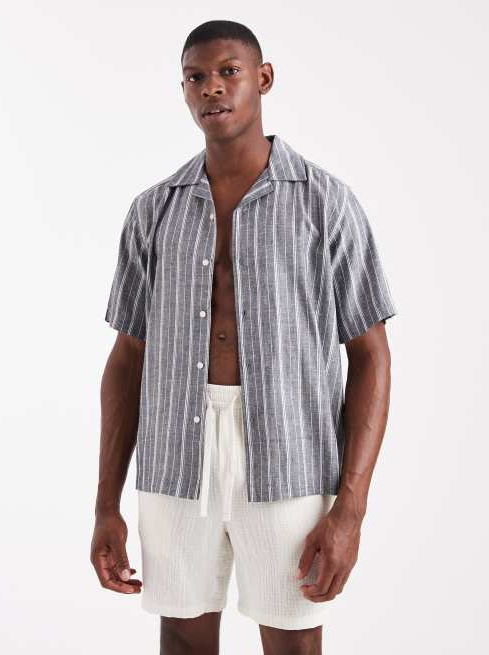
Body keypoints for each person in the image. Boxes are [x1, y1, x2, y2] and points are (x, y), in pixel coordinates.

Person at [90, 19, 397, 655]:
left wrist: (350, 508)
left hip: (291, 458)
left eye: (229, 71)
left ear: (264, 78)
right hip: (174, 457)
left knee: (292, 639)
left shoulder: (325, 203)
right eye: (195, 77)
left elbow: (371, 355)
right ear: (182, 91)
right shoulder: (154, 210)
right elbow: (127, 357)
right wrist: (105, 505)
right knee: (182, 636)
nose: (212, 88)